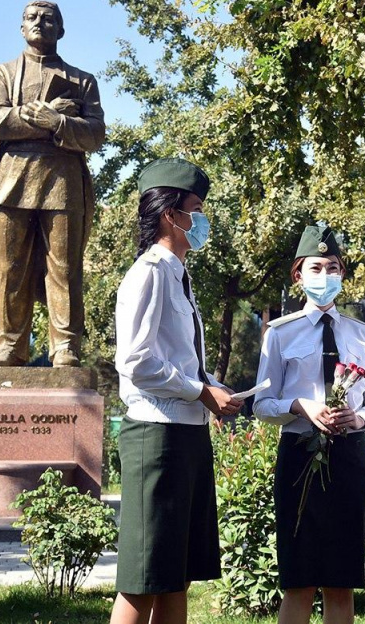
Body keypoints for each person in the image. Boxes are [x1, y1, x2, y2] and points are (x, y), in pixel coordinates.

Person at [110, 158, 243, 624]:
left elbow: (175, 360)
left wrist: (210, 387)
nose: (202, 221)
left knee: (176, 574)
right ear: (171, 215)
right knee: (143, 579)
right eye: (197, 209)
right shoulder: (148, 272)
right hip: (156, 436)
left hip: (185, 434)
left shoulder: (178, 276)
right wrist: (201, 392)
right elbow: (136, 362)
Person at [0, 0, 106, 367]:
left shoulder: (83, 81)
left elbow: (96, 133)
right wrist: (45, 117)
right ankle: (11, 347)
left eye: (49, 19)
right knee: (10, 267)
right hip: (12, 178)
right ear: (21, 28)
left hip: (64, 181)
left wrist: (60, 124)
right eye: (32, 18)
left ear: (60, 30)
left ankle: (65, 346)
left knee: (64, 267)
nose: (40, 23)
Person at [253, 224, 365, 624]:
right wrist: (299, 406)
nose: (325, 276)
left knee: (341, 580)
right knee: (299, 579)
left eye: (333, 267)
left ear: (342, 273)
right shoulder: (279, 334)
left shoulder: (362, 335)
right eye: (316, 268)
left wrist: (360, 418)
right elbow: (262, 404)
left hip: (350, 458)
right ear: (298, 274)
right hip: (298, 457)